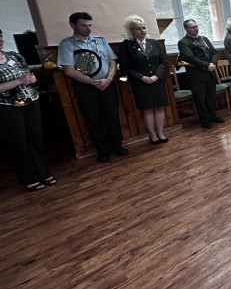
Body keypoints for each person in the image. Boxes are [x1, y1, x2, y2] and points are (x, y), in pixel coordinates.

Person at [58, 12, 128, 163]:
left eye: (90, 25)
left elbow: (112, 61)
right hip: (86, 87)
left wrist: (108, 79)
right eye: (83, 25)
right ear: (73, 25)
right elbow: (68, 70)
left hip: (107, 84)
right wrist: (92, 82)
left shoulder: (100, 41)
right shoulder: (67, 44)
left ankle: (117, 146)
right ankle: (102, 151)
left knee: (112, 116)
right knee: (93, 119)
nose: (88, 29)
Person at [0, 28, 55, 190]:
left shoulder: (14, 56)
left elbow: (27, 73)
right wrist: (18, 81)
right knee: (19, 143)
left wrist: (31, 78)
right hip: (8, 105)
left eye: (1, 36)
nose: (0, 40)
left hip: (31, 100)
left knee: (36, 139)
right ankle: (29, 179)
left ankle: (44, 173)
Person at [118, 15, 169, 143]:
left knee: (160, 108)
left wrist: (156, 75)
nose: (142, 31)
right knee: (148, 109)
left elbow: (163, 62)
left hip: (157, 80)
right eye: (138, 28)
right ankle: (152, 135)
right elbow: (124, 67)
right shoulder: (127, 45)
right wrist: (141, 77)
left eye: (144, 28)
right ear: (132, 30)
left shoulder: (154, 43)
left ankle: (160, 133)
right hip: (141, 83)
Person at [178, 19, 224, 128]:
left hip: (210, 73)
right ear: (186, 29)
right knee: (200, 99)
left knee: (211, 97)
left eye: (196, 26)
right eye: (192, 27)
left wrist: (213, 63)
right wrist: (206, 65)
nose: (196, 29)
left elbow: (214, 52)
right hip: (197, 75)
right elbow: (190, 58)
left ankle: (212, 116)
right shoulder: (183, 42)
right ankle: (204, 119)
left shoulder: (204, 39)